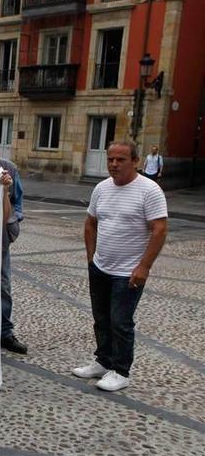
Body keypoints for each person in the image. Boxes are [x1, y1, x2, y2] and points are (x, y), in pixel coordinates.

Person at [73, 140, 168, 392]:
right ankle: (103, 361)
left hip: (128, 271)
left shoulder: (149, 190)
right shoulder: (101, 188)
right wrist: (91, 258)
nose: (114, 164)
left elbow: (159, 230)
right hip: (101, 267)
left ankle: (121, 370)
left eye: (121, 159)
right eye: (110, 159)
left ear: (135, 161)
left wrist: (144, 266)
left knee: (121, 321)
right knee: (101, 318)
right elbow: (90, 223)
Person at [0, 128, 28, 354]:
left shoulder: (8, 167)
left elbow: (19, 199)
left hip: (0, 234)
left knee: (2, 283)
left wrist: (13, 221)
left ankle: (5, 332)